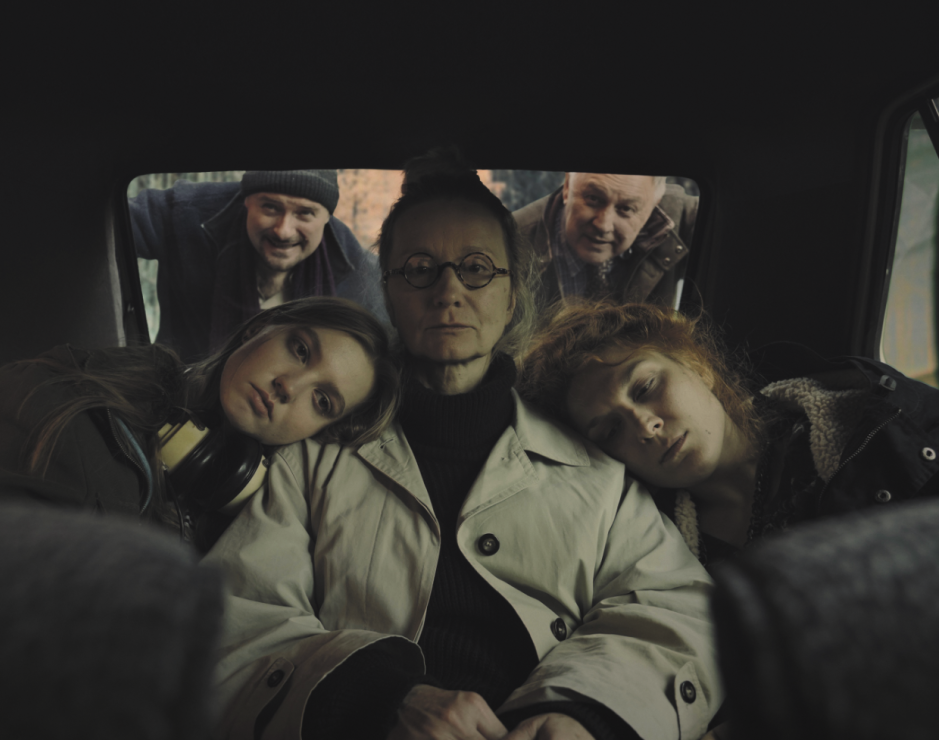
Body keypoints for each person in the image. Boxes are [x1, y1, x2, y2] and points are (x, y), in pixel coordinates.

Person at [204, 152, 722, 740]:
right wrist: (379, 700)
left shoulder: (597, 473)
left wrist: (586, 713)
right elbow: (235, 622)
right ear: (389, 293)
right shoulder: (311, 461)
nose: (448, 290)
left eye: (476, 268)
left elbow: (682, 610)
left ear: (512, 295)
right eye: (419, 268)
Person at [0, 297, 399, 552]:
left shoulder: (261, 528)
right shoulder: (57, 397)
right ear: (260, 328)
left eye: (322, 400)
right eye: (300, 350)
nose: (288, 386)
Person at [519, 300, 939, 567]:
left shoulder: (871, 421)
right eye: (611, 430)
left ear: (696, 365)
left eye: (646, 388)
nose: (646, 426)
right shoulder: (655, 553)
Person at [130, 170, 389, 361]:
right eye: (270, 207)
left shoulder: (363, 279)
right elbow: (111, 224)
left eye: (304, 213)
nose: (283, 231)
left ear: (327, 217)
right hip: (183, 393)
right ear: (246, 201)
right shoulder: (187, 212)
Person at [513, 174, 697, 310]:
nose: (603, 225)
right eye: (593, 199)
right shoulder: (512, 243)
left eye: (626, 208)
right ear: (567, 187)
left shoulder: (683, 216)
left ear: (655, 204)